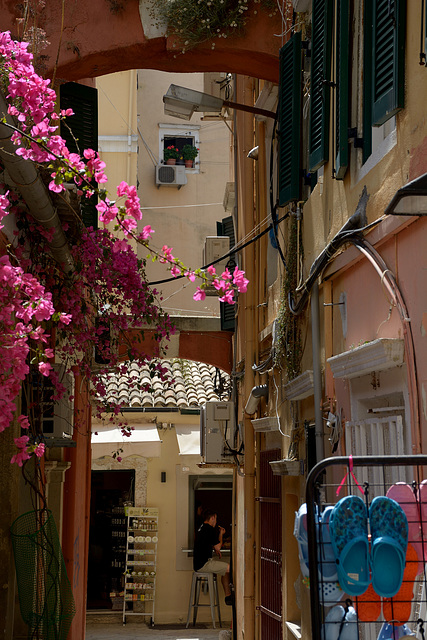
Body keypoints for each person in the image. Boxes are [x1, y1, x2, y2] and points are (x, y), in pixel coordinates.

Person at [193, 508, 232, 605]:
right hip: (204, 564)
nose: (216, 521)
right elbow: (218, 546)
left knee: (225, 569)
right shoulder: (209, 529)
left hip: (199, 563)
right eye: (216, 519)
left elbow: (207, 543)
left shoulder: (201, 527)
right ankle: (229, 596)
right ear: (213, 517)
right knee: (230, 568)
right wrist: (221, 534)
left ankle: (228, 595)